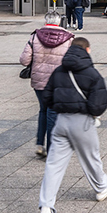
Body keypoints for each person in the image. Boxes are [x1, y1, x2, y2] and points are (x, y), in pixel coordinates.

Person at [36, 37, 107, 213]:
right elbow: (99, 103)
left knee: (54, 165)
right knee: (91, 157)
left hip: (61, 121)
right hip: (82, 121)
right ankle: (102, 186)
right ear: (87, 50)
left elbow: (46, 97)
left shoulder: (58, 71)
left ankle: (46, 208)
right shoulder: (92, 73)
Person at [20, 10, 75, 159]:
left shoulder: (34, 36)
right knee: (52, 113)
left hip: (39, 81)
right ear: (59, 22)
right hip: (58, 82)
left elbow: (24, 60)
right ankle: (51, 150)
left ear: (46, 21)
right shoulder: (68, 38)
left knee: (43, 110)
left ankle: (39, 144)